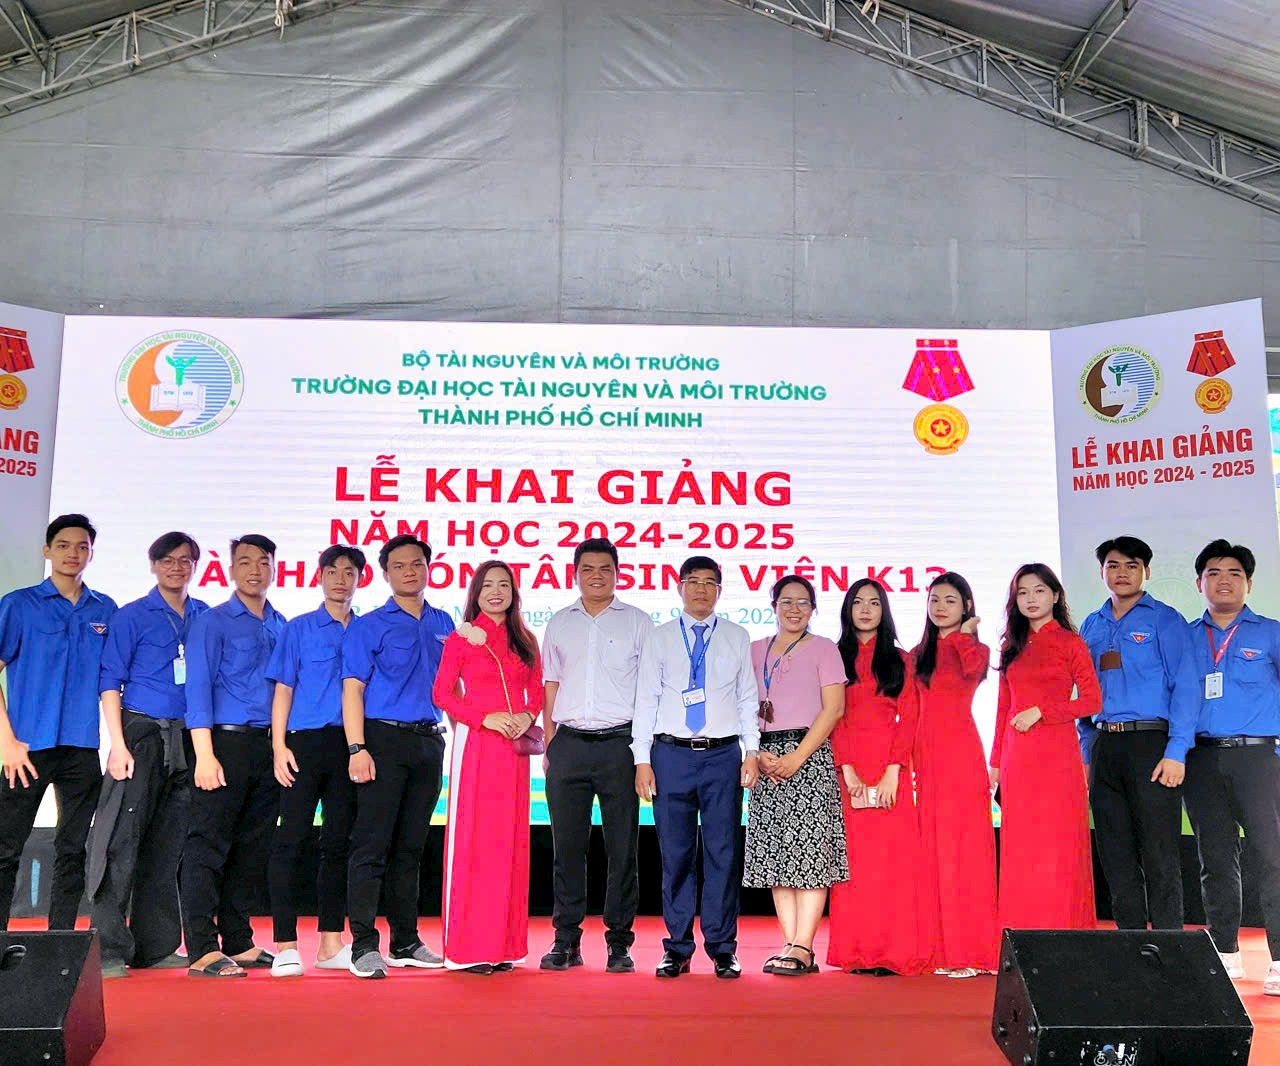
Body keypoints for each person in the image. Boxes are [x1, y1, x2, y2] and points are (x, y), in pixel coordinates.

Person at [632, 555, 759, 979]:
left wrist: (751, 751)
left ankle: (723, 948)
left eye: (709, 582)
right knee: (676, 854)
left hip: (722, 756)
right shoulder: (661, 637)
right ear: (680, 587)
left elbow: (747, 697)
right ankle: (677, 947)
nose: (701, 589)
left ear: (719, 590)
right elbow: (646, 699)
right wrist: (642, 759)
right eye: (693, 581)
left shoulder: (737, 636)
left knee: (723, 852)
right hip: (671, 755)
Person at [89, 531, 207, 978]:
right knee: (119, 842)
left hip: (188, 738)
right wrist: (117, 744)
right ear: (153, 565)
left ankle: (155, 946)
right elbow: (109, 682)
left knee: (168, 845)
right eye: (167, 560)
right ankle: (109, 950)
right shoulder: (132, 615)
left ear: (195, 566)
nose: (177, 567)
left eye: (185, 560)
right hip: (140, 735)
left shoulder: (204, 616)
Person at [342, 534, 453, 979]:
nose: (410, 571)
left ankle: (405, 940)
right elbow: (353, 689)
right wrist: (357, 747)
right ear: (386, 574)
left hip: (429, 742)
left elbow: (454, 688)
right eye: (400, 565)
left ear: (429, 568)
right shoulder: (369, 625)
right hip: (382, 741)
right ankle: (363, 946)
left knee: (411, 846)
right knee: (371, 845)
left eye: (417, 564)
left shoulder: (444, 621)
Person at [539, 538, 653, 973]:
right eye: (588, 569)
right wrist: (551, 743)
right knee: (567, 849)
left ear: (617, 573)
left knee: (622, 850)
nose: (597, 576)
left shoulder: (638, 622)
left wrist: (642, 753)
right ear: (575, 575)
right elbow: (551, 684)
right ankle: (565, 940)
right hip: (568, 744)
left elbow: (649, 692)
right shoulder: (559, 622)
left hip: (619, 746)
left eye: (605, 568)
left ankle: (619, 943)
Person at [0, 514, 115, 930]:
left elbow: (111, 681)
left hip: (81, 748)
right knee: (6, 847)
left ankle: (61, 939)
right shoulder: (19, 604)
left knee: (73, 849)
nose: (73, 554)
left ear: (91, 554)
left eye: (82, 547)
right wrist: (8, 742)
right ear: (47, 551)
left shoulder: (105, 609)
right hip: (27, 748)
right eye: (64, 545)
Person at [1079, 536, 1197, 933]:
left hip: (1151, 744)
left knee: (1160, 852)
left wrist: (1176, 750)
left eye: (1131, 565)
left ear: (1146, 571)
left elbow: (1186, 687)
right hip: (1104, 744)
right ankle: (1129, 944)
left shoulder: (1165, 619)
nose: (1122, 573)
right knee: (1115, 852)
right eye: (1113, 565)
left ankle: (1169, 944)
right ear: (1102, 572)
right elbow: (1084, 693)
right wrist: (1086, 754)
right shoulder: (1092, 624)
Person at [181, 534, 286, 977]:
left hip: (269, 746)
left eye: (263, 562)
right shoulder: (212, 621)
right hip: (223, 744)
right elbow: (197, 688)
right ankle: (203, 947)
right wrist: (204, 755)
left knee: (252, 847)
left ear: (274, 568)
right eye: (244, 562)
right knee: (208, 844)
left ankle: (239, 940)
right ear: (230, 569)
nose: (254, 570)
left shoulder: (280, 623)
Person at [433, 561, 543, 973]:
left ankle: (502, 947)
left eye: (504, 585)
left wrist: (527, 716)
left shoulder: (525, 639)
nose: (496, 592)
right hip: (477, 745)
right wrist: (485, 719)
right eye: (488, 585)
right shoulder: (461, 639)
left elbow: (536, 690)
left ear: (514, 593)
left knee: (508, 843)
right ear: (475, 593)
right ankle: (467, 948)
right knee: (474, 843)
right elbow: (442, 694)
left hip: (514, 751)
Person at [1183, 539, 1280, 994]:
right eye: (1214, 573)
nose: (1224, 581)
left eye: (1234, 573)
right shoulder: (1185, 636)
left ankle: (1279, 958)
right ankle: (1225, 952)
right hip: (1201, 758)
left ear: (1249, 583)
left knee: (1272, 856)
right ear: (1198, 583)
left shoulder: (1270, 632)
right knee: (1215, 858)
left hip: (1259, 758)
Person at [264, 545, 365, 978]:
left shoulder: (366, 630)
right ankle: (286, 945)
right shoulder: (299, 628)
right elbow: (283, 689)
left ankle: (330, 943)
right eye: (333, 571)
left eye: (349, 572)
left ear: (361, 579)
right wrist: (278, 746)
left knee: (338, 844)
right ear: (319, 577)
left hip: (350, 747)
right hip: (303, 745)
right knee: (291, 841)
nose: (341, 579)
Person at [743, 574, 847, 977]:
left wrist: (798, 757)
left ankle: (804, 944)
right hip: (765, 756)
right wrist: (758, 752)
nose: (794, 609)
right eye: (786, 601)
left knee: (811, 852)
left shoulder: (824, 649)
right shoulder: (754, 650)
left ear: (814, 609)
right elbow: (741, 704)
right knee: (777, 854)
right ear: (773, 607)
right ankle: (790, 943)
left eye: (803, 602)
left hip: (810, 755)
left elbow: (834, 709)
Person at [827, 578, 930, 976]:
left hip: (891, 768)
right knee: (856, 863)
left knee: (894, 862)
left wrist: (893, 770)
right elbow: (833, 716)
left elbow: (910, 716)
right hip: (848, 768)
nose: (866, 609)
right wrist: (847, 768)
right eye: (858, 602)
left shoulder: (900, 659)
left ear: (884, 610)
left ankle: (894, 951)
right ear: (847, 609)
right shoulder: (833, 657)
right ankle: (857, 951)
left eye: (874, 602)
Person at [991, 563, 1100, 932]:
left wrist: (1043, 711)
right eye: (1023, 592)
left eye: (1039, 590)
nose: (1031, 599)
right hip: (1017, 757)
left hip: (1057, 756)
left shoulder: (1070, 643)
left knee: (1058, 843)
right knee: (1022, 847)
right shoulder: (1011, 646)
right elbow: (1003, 709)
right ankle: (1020, 931)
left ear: (1055, 595)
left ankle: (1063, 930)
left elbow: (1092, 701)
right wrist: (995, 763)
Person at [912, 571, 998, 977]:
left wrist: (964, 635)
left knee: (965, 852)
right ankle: (941, 950)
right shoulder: (918, 654)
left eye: (949, 600)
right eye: (934, 600)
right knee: (932, 852)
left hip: (961, 756)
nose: (940, 607)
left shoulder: (974, 648)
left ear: (966, 605)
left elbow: (973, 672)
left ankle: (973, 951)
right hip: (925, 757)